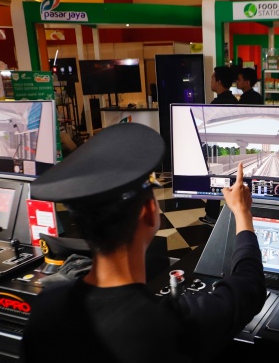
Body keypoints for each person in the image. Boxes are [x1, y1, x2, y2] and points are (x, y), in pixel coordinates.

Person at [23, 123, 266, 363]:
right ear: (150, 213)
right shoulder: (167, 326)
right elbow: (250, 286)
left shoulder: (47, 309)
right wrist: (242, 213)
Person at [200, 66, 239, 225]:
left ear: (219, 81)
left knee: (215, 181)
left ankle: (212, 216)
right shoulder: (234, 101)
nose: (210, 81)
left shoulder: (217, 103)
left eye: (212, 78)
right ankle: (233, 215)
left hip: (217, 150)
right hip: (231, 149)